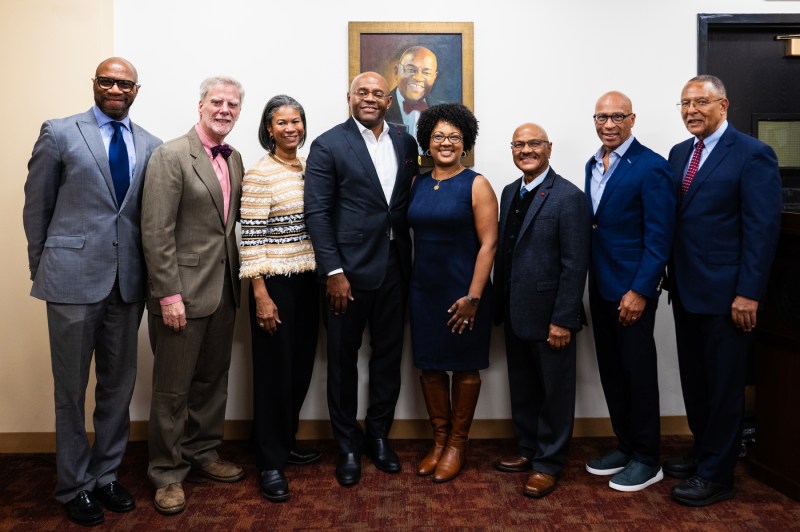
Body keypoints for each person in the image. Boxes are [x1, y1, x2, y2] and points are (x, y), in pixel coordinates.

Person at [22, 57, 161, 527]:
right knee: (70, 390)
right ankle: (74, 485)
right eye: (108, 81)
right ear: (95, 84)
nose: (116, 88)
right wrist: (43, 268)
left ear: (136, 90)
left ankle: (105, 476)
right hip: (70, 280)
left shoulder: (151, 145)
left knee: (118, 388)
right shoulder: (60, 132)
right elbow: (36, 207)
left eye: (125, 83)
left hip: (127, 284)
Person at [665, 75, 782, 506]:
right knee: (695, 382)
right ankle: (703, 451)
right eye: (684, 103)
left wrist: (749, 292)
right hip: (686, 289)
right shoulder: (680, 154)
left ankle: (718, 475)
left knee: (724, 386)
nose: (691, 110)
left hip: (729, 296)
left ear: (724, 105)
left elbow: (762, 229)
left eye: (701, 102)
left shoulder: (753, 155)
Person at [304, 72, 419, 486]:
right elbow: (316, 213)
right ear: (349, 97)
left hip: (395, 268)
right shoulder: (328, 143)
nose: (370, 98)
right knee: (341, 362)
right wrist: (333, 271)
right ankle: (348, 446)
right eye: (362, 92)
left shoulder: (406, 143)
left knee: (389, 357)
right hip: (346, 275)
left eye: (378, 93)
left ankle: (379, 437)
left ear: (389, 100)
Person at [142, 75, 246, 515]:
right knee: (172, 390)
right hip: (181, 293)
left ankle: (203, 452)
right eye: (217, 102)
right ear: (200, 104)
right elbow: (156, 231)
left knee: (211, 381)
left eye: (233, 104)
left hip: (224, 290)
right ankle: (167, 472)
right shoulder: (170, 155)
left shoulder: (235, 157)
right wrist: (168, 295)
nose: (225, 109)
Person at [583, 91, 676, 492]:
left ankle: (647, 458)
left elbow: (660, 237)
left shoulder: (652, 167)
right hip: (600, 287)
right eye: (602, 117)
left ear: (632, 119)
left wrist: (641, 290)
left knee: (637, 374)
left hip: (632, 292)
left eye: (617, 116)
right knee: (612, 373)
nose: (609, 124)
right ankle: (626, 446)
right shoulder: (592, 163)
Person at [492, 123, 591, 498]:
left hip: (552, 316)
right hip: (517, 312)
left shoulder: (569, 197)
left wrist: (564, 318)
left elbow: (575, 263)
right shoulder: (508, 192)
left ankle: (549, 463)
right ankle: (529, 450)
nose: (526, 150)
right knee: (524, 388)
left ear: (549, 148)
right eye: (519, 144)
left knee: (555, 392)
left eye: (534, 144)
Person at [408, 103, 497, 483]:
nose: (446, 142)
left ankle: (458, 443)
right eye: (439, 136)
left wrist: (473, 298)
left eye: (454, 137)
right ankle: (439, 439)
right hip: (424, 290)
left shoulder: (477, 183)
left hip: (465, 291)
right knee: (429, 366)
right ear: (427, 140)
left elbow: (489, 244)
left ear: (466, 143)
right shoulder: (417, 182)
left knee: (464, 368)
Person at [239, 95, 320, 502]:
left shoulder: (310, 169)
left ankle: (286, 441)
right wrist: (261, 295)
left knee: (299, 368)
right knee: (273, 374)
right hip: (275, 284)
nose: (291, 129)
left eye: (297, 121)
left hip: (310, 283)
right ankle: (270, 462)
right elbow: (250, 241)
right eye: (282, 123)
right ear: (269, 129)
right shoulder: (260, 175)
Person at [385, 46, 440, 137]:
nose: (418, 78)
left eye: (426, 72)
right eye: (411, 70)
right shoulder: (378, 108)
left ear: (434, 77)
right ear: (396, 71)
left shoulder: (443, 112)